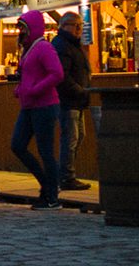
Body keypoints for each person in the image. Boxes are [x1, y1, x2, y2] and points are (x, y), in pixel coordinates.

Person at [11, 9, 64, 210]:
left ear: (32, 28)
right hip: (29, 105)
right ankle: (47, 184)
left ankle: (51, 195)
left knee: (46, 151)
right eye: (20, 28)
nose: (21, 32)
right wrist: (21, 89)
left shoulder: (43, 48)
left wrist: (34, 89)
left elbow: (57, 74)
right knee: (17, 145)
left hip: (44, 105)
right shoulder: (29, 49)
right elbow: (31, 75)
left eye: (23, 28)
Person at [52, 13, 92, 191]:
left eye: (80, 25)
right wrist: (79, 89)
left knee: (78, 137)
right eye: (74, 25)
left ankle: (66, 174)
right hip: (69, 100)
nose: (78, 29)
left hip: (77, 99)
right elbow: (62, 76)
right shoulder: (62, 45)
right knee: (71, 138)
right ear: (63, 26)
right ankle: (66, 177)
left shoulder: (72, 45)